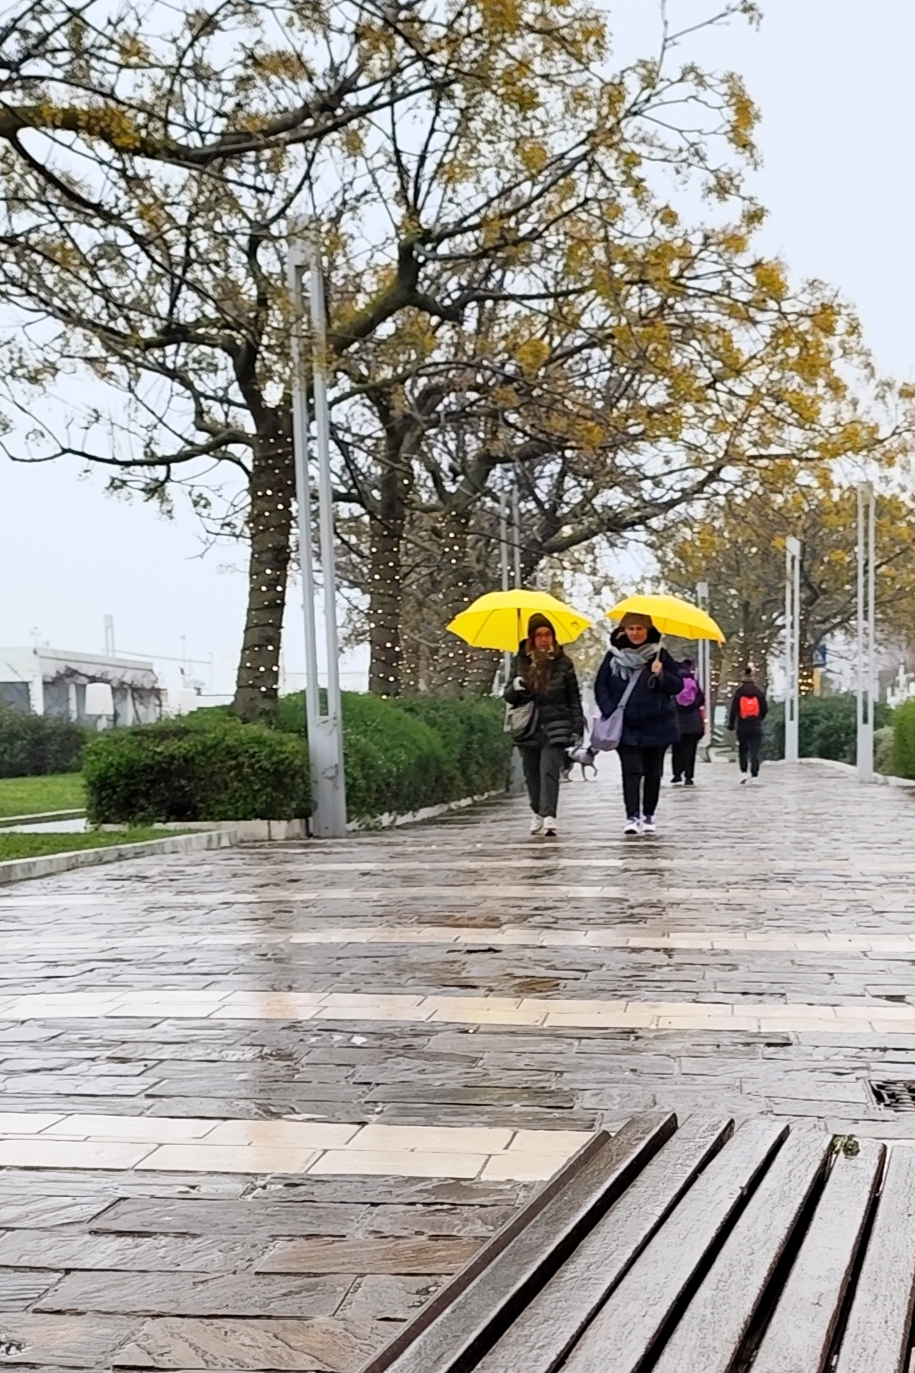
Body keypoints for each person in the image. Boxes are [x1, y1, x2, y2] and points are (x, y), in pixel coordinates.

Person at [594, 612, 683, 835]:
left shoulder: (660, 654)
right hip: (626, 726)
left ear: (648, 631)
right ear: (624, 630)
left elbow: (677, 686)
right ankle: (632, 816)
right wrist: (610, 709)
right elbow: (600, 686)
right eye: (631, 628)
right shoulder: (613, 656)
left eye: (639, 629)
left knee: (653, 773)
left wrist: (661, 673)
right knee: (631, 772)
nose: (635, 633)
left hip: (657, 725)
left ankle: (649, 815)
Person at [504, 613, 585, 837]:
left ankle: (549, 815)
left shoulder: (563, 662)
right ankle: (538, 812)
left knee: (549, 770)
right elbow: (508, 696)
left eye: (547, 634)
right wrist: (516, 687)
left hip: (556, 725)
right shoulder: (520, 660)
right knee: (532, 774)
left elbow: (573, 698)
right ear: (531, 637)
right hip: (528, 726)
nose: (543, 639)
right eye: (538, 635)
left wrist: (577, 727)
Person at [728, 665, 768, 783]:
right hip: (755, 725)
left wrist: (731, 723)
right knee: (755, 751)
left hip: (742, 725)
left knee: (743, 749)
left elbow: (734, 709)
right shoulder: (758, 693)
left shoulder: (739, 693)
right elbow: (765, 709)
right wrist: (759, 719)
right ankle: (755, 775)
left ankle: (744, 773)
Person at [670, 659, 706, 786]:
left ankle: (677, 774)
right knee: (690, 750)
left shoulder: (673, 683)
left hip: (677, 722)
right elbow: (701, 700)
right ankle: (689, 776)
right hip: (693, 723)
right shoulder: (694, 683)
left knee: (677, 749)